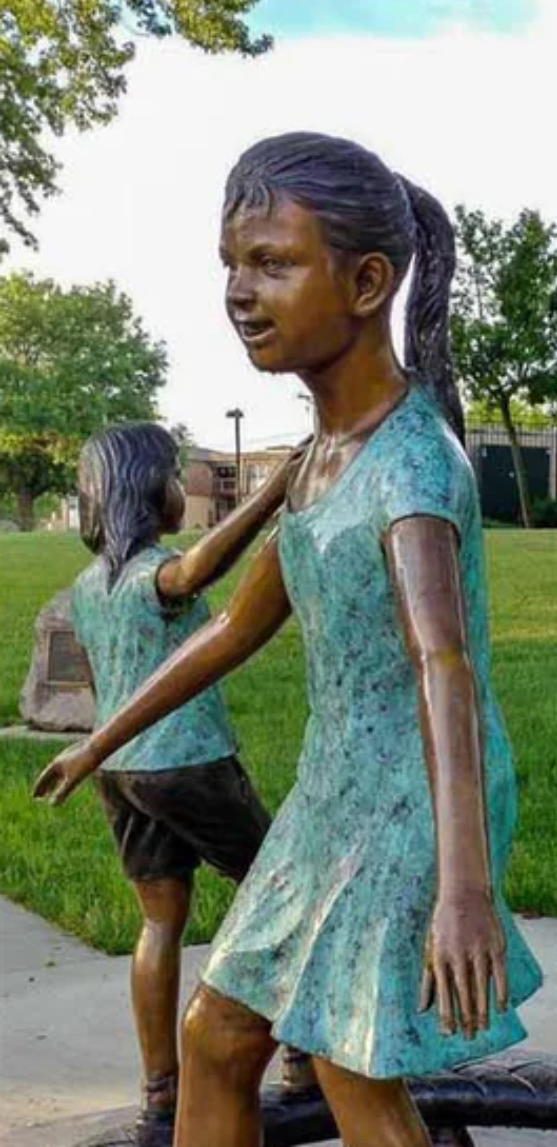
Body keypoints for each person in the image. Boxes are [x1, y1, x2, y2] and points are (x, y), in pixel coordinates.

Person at [35, 132, 542, 1147]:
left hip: (417, 799)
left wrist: (464, 887)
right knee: (218, 1037)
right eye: (231, 263)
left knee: (351, 1061)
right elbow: (230, 624)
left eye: (272, 262)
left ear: (365, 282)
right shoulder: (319, 461)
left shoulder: (409, 471)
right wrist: (101, 738)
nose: (239, 290)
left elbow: (442, 666)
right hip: (334, 793)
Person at [65, 422, 312, 1146]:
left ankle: (159, 1089)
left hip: (121, 774)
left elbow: (96, 684)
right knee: (282, 892)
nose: (182, 490)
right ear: (146, 493)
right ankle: (300, 1053)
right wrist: (273, 492)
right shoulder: (154, 575)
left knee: (159, 921)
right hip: (189, 765)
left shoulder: (83, 589)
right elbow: (200, 570)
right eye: (175, 476)